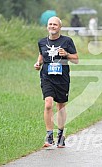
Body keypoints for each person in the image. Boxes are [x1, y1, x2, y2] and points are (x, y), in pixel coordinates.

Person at [34, 16, 79, 148]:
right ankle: (49, 135)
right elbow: (41, 56)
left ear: (59, 27)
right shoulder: (42, 42)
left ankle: (60, 135)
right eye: (50, 24)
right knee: (48, 104)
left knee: (60, 106)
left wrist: (66, 54)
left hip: (62, 78)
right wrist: (38, 63)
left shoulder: (67, 41)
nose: (52, 26)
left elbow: (76, 59)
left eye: (55, 24)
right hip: (47, 77)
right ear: (47, 26)